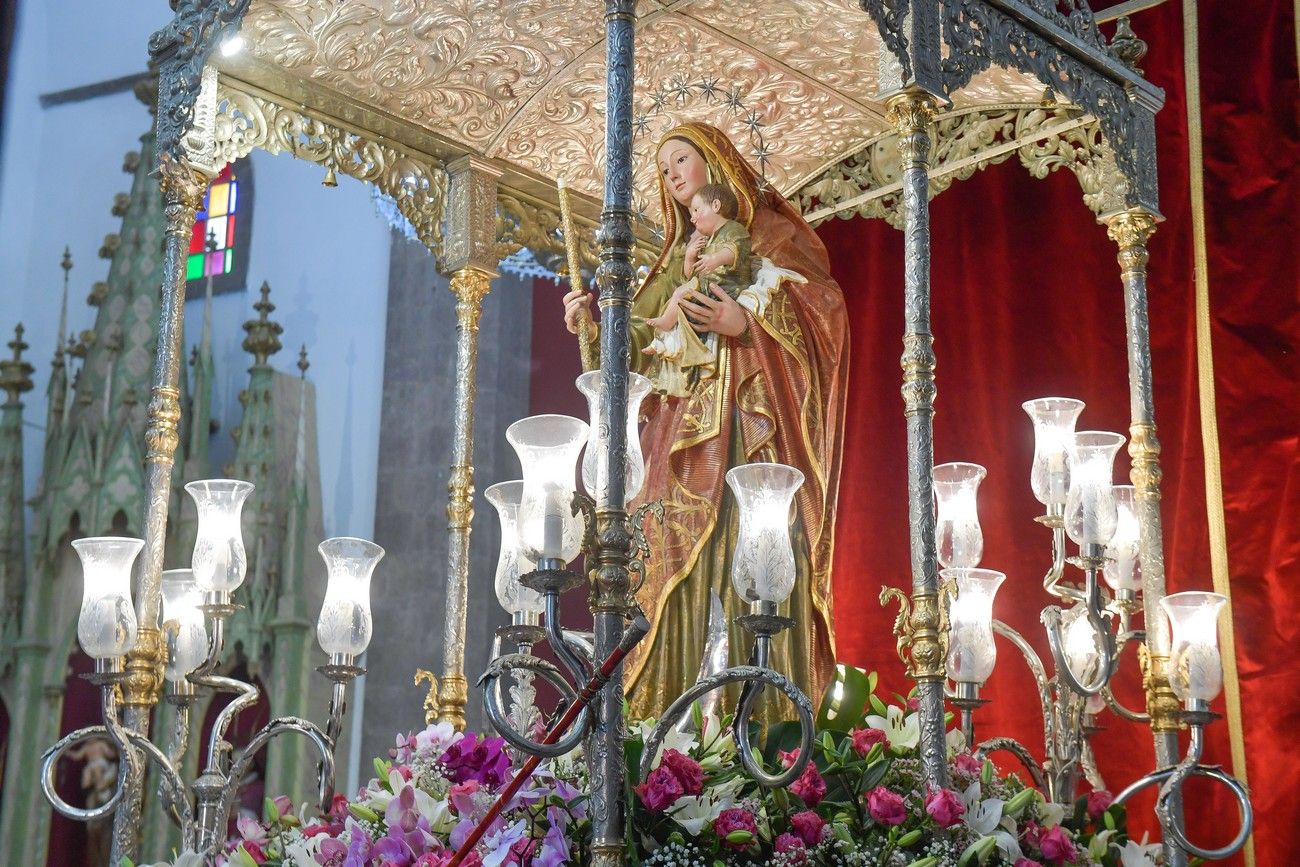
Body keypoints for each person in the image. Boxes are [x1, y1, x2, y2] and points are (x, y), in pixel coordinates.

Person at [563, 122, 849, 723]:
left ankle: (767, 736)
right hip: (678, 433)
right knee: (665, 571)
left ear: (715, 165)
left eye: (682, 159)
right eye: (663, 167)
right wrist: (594, 328)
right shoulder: (675, 259)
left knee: (760, 561)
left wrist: (746, 325)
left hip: (751, 425)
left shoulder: (769, 235)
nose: (670, 174)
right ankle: (658, 744)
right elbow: (639, 341)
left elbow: (825, 313)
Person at [640, 181, 756, 397]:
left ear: (716, 205)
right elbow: (692, 272)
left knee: (681, 295)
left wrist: (714, 259)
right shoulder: (709, 239)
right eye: (664, 171)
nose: (692, 218)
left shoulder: (732, 229)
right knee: (679, 298)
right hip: (707, 287)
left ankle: (665, 330)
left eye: (696, 210)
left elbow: (736, 250)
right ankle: (662, 344)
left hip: (727, 288)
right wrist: (690, 257)